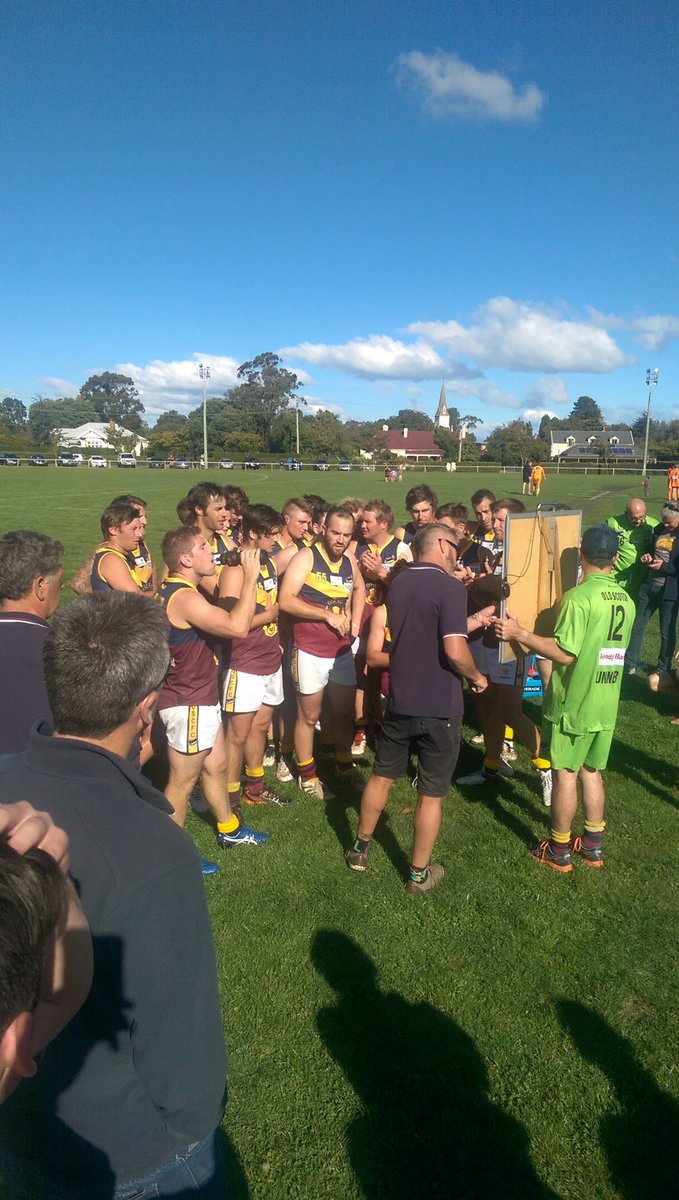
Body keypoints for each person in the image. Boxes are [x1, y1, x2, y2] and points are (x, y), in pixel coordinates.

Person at [0, 592, 230, 1197]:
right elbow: (180, 1036)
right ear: (147, 709)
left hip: (25, 1125)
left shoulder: (4, 785)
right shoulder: (159, 850)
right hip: (131, 1151)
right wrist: (189, 1130)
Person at [345, 523, 488, 893]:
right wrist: (477, 677)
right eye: (455, 545)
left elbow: (420, 632)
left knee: (382, 776)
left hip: (400, 699)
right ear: (442, 544)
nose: (458, 551)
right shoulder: (451, 588)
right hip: (440, 703)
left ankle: (360, 847)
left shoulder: (399, 583)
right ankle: (418, 874)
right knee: (431, 792)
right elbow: (454, 650)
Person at [495, 525, 634, 872]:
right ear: (614, 559)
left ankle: (558, 849)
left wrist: (521, 633)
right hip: (606, 699)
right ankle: (593, 844)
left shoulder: (578, 598)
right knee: (592, 771)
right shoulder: (626, 600)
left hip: (575, 702)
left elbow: (565, 653)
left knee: (566, 774)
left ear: (582, 556)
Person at [156, 526, 270, 862]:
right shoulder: (186, 597)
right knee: (181, 782)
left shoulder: (177, 589)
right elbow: (236, 628)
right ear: (186, 559)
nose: (213, 552)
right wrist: (250, 577)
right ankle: (170, 855)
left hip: (200, 698)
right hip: (188, 703)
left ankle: (229, 829)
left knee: (216, 765)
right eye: (204, 547)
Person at [457, 499, 553, 806]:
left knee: (511, 710)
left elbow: (514, 596)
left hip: (512, 643)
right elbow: (491, 591)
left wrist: (483, 585)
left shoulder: (527, 557)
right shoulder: (494, 553)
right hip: (486, 640)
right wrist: (477, 583)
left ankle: (545, 768)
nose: (494, 524)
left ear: (517, 522)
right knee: (485, 706)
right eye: (494, 519)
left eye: (501, 520)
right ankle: (492, 767)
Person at [279, 506, 365, 799]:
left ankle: (344, 765)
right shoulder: (306, 557)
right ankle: (308, 776)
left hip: (340, 651)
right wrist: (326, 615)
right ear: (323, 529)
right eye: (335, 533)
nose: (340, 540)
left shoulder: (350, 560)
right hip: (310, 650)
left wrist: (354, 618)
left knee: (343, 714)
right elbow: (285, 600)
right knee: (309, 714)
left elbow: (359, 589)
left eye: (346, 535)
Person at [220, 504, 291, 809]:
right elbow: (230, 623)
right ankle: (230, 796)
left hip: (269, 658)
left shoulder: (269, 564)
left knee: (261, 726)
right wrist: (269, 616)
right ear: (252, 533)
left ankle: (256, 787)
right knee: (237, 734)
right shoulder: (234, 570)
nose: (277, 539)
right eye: (272, 534)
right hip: (244, 663)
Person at [353, 500, 412, 754]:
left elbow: (408, 590)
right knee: (361, 676)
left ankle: (383, 725)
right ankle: (361, 727)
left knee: (385, 680)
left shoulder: (401, 549)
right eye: (362, 520)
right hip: (361, 621)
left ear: (384, 524)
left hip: (387, 625)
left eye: (368, 521)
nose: (362, 525)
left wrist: (380, 573)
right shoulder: (356, 547)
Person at [0, 531, 64, 753]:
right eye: (59, 581)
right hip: (35, 777)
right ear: (40, 586)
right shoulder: (62, 650)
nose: (62, 588)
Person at [624, 503, 679, 680]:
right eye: (664, 521)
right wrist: (647, 557)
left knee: (666, 632)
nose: (666, 525)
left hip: (669, 590)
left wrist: (664, 566)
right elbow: (650, 550)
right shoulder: (658, 529)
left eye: (669, 522)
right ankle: (630, 664)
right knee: (637, 625)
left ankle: (663, 669)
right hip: (649, 585)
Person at [604, 498, 654, 599]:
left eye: (642, 517)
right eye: (634, 518)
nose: (638, 521)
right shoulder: (612, 524)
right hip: (616, 577)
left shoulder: (653, 526)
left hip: (640, 578)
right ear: (626, 514)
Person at [90, 500, 144, 592]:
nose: (140, 534)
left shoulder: (121, 556)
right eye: (134, 529)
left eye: (140, 528)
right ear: (113, 530)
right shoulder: (111, 560)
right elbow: (137, 599)